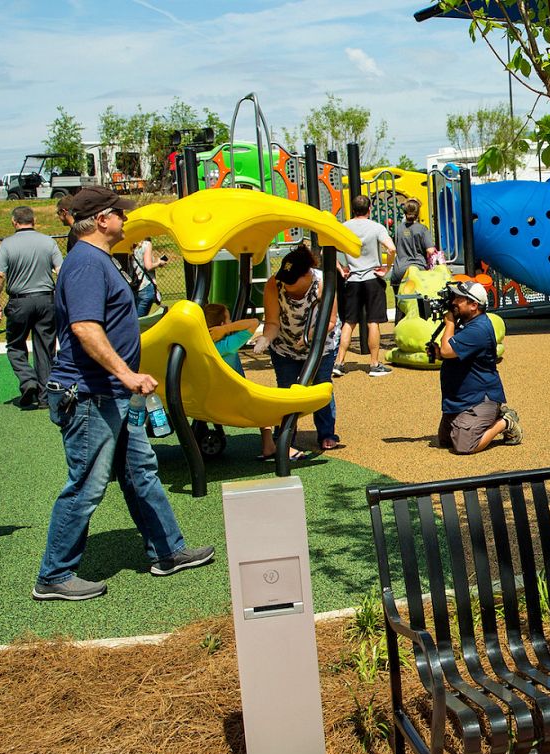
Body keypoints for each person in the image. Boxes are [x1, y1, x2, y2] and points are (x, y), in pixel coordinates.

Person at [34, 186, 215, 602]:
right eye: (119, 213)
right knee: (86, 485)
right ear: (100, 220)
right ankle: (54, 575)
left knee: (141, 472)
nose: (125, 219)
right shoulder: (85, 263)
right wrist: (126, 373)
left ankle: (167, 551)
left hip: (111, 393)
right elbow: (84, 327)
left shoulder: (97, 260)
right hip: (90, 394)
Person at [254, 244, 343, 452]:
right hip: (285, 344)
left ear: (307, 275)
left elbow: (330, 321)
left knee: (321, 385)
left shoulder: (322, 283)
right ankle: (286, 435)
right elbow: (273, 321)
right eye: (285, 280)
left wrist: (309, 337)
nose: (287, 285)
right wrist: (265, 339)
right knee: (286, 388)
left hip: (321, 342)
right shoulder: (275, 285)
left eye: (292, 281)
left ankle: (327, 433)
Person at [429, 277, 522, 453]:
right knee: (445, 441)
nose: (453, 303)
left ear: (473, 305)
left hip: (480, 398)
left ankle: (505, 421)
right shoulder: (466, 323)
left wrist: (448, 322)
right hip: (461, 399)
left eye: (459, 299)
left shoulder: (478, 329)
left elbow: (449, 350)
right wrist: (439, 353)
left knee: (464, 446)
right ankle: (481, 421)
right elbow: (454, 354)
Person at [0, 205, 64, 407]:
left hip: (19, 301)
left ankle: (27, 380)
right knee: (45, 347)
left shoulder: (7, 244)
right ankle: (45, 396)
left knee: (15, 344)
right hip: (45, 299)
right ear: (34, 221)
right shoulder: (48, 242)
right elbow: (61, 270)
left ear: (14, 222)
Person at [203, 302, 293, 462]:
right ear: (222, 324)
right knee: (266, 404)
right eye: (229, 320)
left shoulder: (201, 346)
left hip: (208, 400)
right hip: (235, 401)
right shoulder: (227, 345)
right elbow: (254, 323)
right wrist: (225, 330)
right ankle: (272, 445)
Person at [334, 194, 395, 378]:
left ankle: (339, 362)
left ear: (352, 210)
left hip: (352, 278)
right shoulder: (376, 227)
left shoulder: (343, 227)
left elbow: (326, 249)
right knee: (373, 321)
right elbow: (391, 248)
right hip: (372, 277)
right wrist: (387, 267)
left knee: (349, 322)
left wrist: (341, 268)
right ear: (369, 209)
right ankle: (375, 364)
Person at [388, 199, 436, 314]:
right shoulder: (422, 229)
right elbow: (430, 250)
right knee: (421, 307)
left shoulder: (399, 228)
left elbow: (393, 246)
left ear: (404, 212)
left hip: (400, 270)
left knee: (400, 306)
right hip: (418, 269)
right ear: (418, 213)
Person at [130, 238, 167, 317]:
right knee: (139, 322)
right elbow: (148, 266)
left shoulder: (130, 244)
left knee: (134, 318)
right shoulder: (146, 244)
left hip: (134, 286)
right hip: (145, 285)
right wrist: (159, 262)